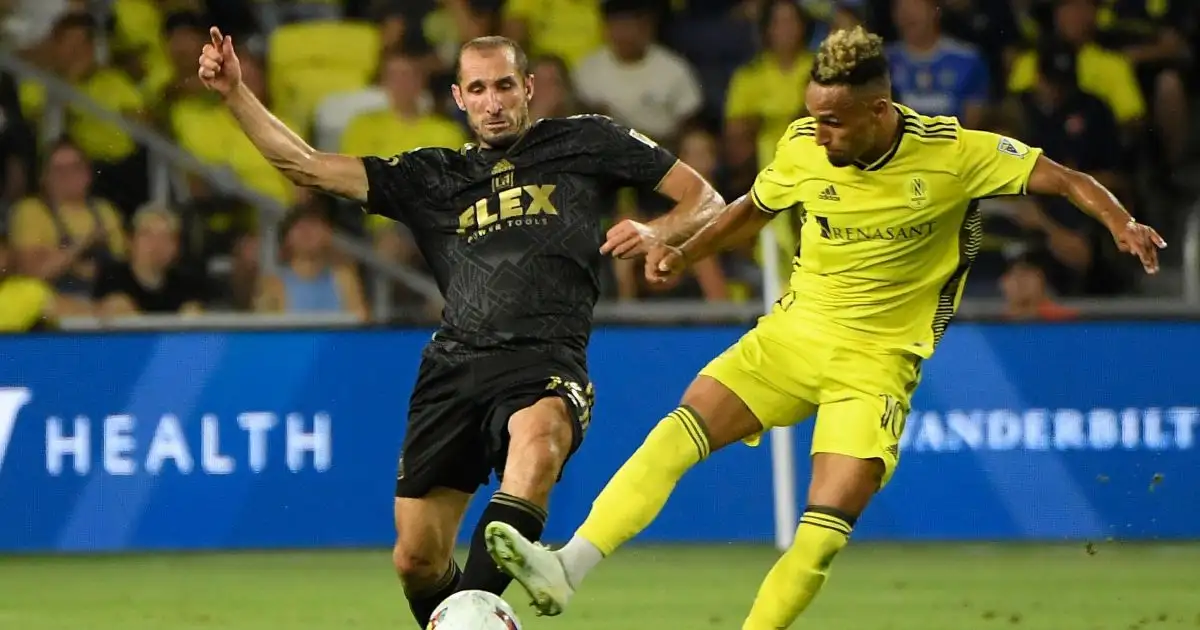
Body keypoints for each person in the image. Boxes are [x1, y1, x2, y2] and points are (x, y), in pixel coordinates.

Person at [483, 25, 1166, 629]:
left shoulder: (956, 154)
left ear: (878, 110)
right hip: (794, 336)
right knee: (679, 430)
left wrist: (1121, 223)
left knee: (821, 532)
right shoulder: (807, 144)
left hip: (877, 362)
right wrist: (684, 251)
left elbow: (1067, 178)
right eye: (813, 116)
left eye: (834, 121)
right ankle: (566, 567)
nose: (819, 131)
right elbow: (755, 206)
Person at [196, 27, 723, 628]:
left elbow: (703, 199)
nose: (493, 101)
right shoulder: (433, 176)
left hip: (544, 359)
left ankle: (477, 616)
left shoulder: (584, 140)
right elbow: (308, 167)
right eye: (478, 88)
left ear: (528, 88)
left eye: (504, 85)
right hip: (453, 367)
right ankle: (471, 614)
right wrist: (237, 92)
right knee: (417, 560)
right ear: (458, 98)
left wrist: (659, 231)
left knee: (541, 439)